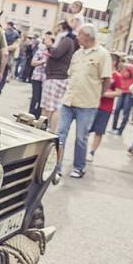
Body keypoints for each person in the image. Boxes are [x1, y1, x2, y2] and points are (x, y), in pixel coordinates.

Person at [54, 23, 112, 179]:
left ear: (87, 36)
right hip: (69, 101)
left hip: (87, 104)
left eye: (79, 34)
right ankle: (56, 167)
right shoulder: (77, 54)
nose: (77, 37)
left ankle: (79, 167)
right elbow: (71, 75)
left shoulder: (102, 54)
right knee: (60, 135)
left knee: (81, 137)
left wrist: (98, 94)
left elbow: (107, 79)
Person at [40, 21, 76, 133]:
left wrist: (49, 46)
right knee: (51, 107)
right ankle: (47, 130)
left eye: (58, 28)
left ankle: (46, 131)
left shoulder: (66, 40)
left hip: (56, 78)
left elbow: (56, 54)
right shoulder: (66, 40)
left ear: (62, 28)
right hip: (57, 77)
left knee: (50, 108)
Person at [87, 52, 123, 162]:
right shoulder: (100, 72)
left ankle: (92, 152)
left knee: (99, 131)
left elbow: (119, 92)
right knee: (86, 128)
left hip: (105, 108)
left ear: (114, 62)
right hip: (92, 104)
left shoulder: (117, 76)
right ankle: (83, 149)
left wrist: (104, 93)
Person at [111, 57, 133, 134]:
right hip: (122, 91)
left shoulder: (130, 68)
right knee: (116, 110)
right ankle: (114, 128)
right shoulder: (118, 69)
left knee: (126, 112)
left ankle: (120, 130)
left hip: (129, 92)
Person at [28, 34, 50, 118]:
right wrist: (43, 61)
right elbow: (33, 63)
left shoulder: (54, 53)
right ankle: (30, 114)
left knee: (42, 99)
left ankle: (37, 116)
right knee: (35, 97)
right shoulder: (40, 50)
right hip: (37, 77)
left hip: (46, 79)